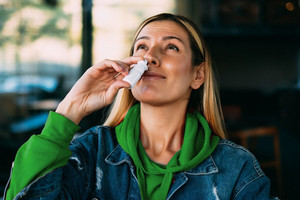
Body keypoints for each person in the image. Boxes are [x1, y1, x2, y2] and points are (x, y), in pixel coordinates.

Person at [4, 13, 277, 200]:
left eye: (171, 47)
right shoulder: (90, 153)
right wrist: (71, 108)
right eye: (141, 47)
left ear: (198, 75)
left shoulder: (237, 168)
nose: (150, 57)